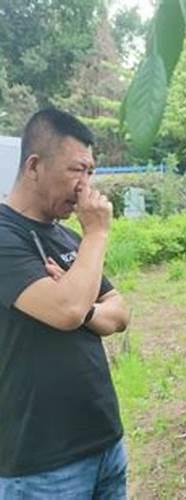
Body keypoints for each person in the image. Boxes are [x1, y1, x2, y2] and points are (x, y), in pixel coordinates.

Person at [0, 109, 130, 498]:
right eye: (77, 170)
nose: (85, 186)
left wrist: (87, 309)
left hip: (104, 443)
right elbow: (66, 310)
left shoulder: (68, 238)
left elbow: (119, 311)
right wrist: (98, 233)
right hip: (42, 465)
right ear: (34, 166)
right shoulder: (6, 236)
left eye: (91, 172)